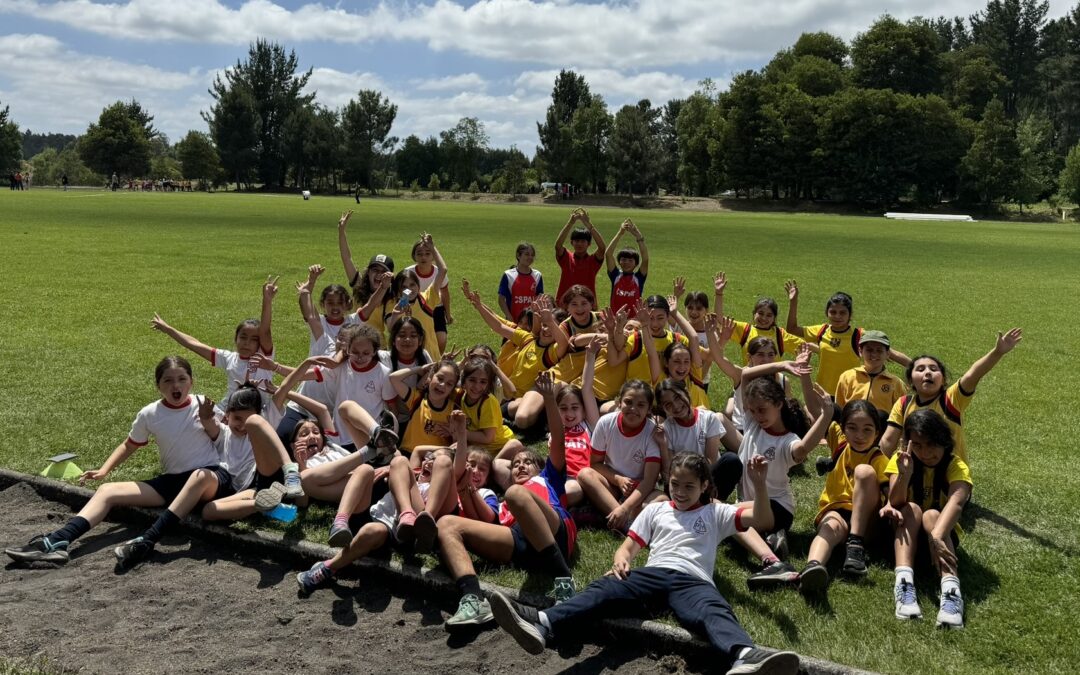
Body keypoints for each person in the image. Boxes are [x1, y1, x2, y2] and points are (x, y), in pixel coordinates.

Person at [488, 452, 800, 675]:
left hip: (693, 580)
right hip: (652, 575)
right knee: (604, 588)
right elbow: (627, 548)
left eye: (689, 487)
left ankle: (744, 656)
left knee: (713, 609)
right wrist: (621, 561)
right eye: (675, 485)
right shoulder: (656, 510)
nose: (679, 492)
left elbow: (762, 519)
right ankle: (543, 623)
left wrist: (758, 484)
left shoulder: (714, 514)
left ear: (704, 486)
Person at [5, 357, 221, 566]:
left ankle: (146, 541)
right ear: (158, 386)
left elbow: (227, 439)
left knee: (198, 476)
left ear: (191, 381)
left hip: (208, 479)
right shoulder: (150, 414)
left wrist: (209, 420)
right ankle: (57, 541)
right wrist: (104, 470)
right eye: (168, 380)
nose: (176, 385)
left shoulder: (205, 406)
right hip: (172, 483)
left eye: (182, 379)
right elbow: (129, 445)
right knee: (107, 491)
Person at [437, 371, 578, 627]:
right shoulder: (504, 502)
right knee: (446, 524)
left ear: (540, 467)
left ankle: (563, 580)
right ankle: (472, 599)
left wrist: (548, 398)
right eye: (516, 464)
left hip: (554, 532)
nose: (521, 466)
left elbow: (558, 439)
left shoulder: (550, 478)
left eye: (528, 462)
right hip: (520, 544)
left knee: (515, 493)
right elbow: (487, 520)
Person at [880, 409, 972, 628]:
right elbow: (895, 501)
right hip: (904, 536)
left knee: (932, 515)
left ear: (943, 440)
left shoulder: (955, 465)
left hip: (940, 540)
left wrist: (938, 537)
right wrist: (905, 474)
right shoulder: (901, 460)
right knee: (911, 508)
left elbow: (957, 502)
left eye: (931, 444)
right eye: (918, 445)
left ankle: (951, 592)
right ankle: (904, 584)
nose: (925, 452)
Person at [879, 328, 1023, 462]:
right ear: (910, 382)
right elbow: (888, 441)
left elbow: (973, 374)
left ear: (943, 380)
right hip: (913, 477)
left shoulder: (951, 399)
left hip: (951, 478)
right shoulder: (903, 404)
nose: (927, 372)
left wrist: (997, 352)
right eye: (920, 369)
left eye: (933, 369)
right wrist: (881, 474)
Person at [796, 400, 890, 595]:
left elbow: (890, 493)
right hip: (837, 513)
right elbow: (815, 412)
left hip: (866, 522)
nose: (859, 435)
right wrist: (805, 377)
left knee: (864, 472)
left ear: (877, 433)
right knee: (830, 528)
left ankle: (855, 546)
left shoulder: (879, 459)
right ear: (843, 429)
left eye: (867, 429)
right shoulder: (839, 444)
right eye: (852, 428)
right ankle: (812, 567)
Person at [150, 277, 277, 412]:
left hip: (258, 412)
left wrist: (267, 301)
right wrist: (168, 329)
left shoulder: (264, 357)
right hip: (228, 410)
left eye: (253, 339)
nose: (246, 343)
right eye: (243, 337)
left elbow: (265, 331)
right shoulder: (229, 358)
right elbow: (194, 344)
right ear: (236, 339)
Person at [784, 281, 910, 395]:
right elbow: (792, 329)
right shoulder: (821, 331)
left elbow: (891, 353)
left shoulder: (858, 335)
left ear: (850, 315)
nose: (837, 316)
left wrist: (916, 366)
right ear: (827, 312)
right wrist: (793, 302)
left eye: (842, 312)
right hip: (823, 392)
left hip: (850, 392)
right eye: (833, 312)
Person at [575, 380, 665, 533]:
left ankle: (610, 515)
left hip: (641, 491)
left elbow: (649, 481)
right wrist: (618, 479)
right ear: (619, 402)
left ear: (649, 408)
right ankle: (627, 524)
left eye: (641, 405)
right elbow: (595, 464)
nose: (633, 409)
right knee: (585, 474)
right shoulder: (605, 423)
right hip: (612, 485)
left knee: (662, 500)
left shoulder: (652, 433)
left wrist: (626, 506)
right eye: (628, 402)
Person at [458, 357, 525, 488]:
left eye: (483, 382)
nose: (477, 386)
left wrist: (461, 432)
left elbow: (488, 437)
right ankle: (487, 474)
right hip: (478, 450)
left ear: (488, 384)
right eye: (472, 380)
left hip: (499, 448)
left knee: (514, 444)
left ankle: (489, 472)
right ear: (463, 381)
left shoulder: (488, 402)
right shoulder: (463, 397)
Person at [337, 210, 393, 332]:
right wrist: (341, 232)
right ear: (368, 272)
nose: (378, 274)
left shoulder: (390, 297)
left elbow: (392, 325)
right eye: (375, 270)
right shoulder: (359, 285)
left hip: (378, 347)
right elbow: (346, 258)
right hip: (355, 345)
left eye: (383, 271)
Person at [404, 233, 453, 353]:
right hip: (416, 309)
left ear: (433, 257)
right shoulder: (408, 272)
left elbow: (445, 292)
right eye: (419, 254)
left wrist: (448, 313)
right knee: (419, 339)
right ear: (414, 256)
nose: (423, 257)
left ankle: (438, 358)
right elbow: (403, 291)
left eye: (427, 253)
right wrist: (404, 306)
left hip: (436, 308)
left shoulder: (438, 272)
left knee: (441, 338)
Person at [554, 209, 607, 304]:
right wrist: (570, 223)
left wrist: (589, 225)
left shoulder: (593, 261)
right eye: (576, 241)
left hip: (587, 305)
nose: (579, 244)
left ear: (589, 244)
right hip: (565, 305)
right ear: (571, 242)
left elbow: (602, 248)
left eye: (583, 241)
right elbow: (558, 246)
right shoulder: (567, 258)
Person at [604, 219, 648, 317]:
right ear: (619, 261)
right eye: (623, 259)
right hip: (616, 319)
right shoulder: (615, 275)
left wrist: (639, 237)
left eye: (630, 260)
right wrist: (620, 233)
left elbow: (645, 259)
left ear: (636, 264)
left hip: (633, 321)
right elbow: (608, 254)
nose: (626, 263)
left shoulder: (639, 278)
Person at [498, 242, 544, 322]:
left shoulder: (537, 275)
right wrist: (508, 316)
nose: (530, 257)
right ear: (518, 256)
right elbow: (501, 299)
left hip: (531, 322)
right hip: (513, 320)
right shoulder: (508, 275)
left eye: (532, 255)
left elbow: (539, 297)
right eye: (527, 254)